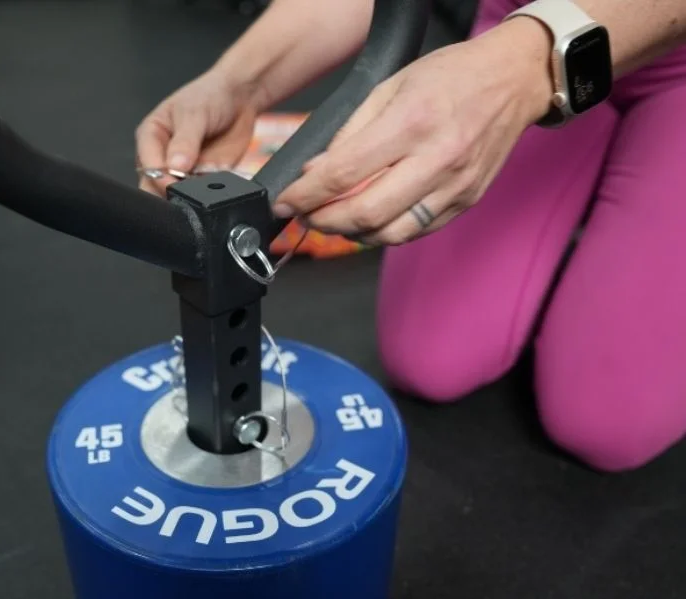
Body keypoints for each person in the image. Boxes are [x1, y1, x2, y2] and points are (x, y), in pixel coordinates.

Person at [134, 0, 686, 473]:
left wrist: (522, 71)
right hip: (522, 18)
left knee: (604, 423)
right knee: (429, 363)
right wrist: (239, 81)